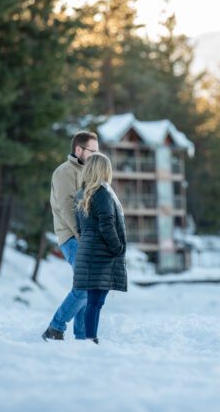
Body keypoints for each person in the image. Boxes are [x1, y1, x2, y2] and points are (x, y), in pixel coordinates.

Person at [42, 131, 99, 342]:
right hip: (72, 237)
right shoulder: (64, 172)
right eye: (93, 151)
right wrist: (84, 236)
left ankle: (83, 336)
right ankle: (55, 328)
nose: (96, 156)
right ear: (79, 150)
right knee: (85, 285)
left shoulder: (87, 173)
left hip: (86, 237)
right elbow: (67, 208)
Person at [73, 153, 128, 344]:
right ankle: (90, 339)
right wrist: (118, 247)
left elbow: (79, 227)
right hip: (101, 254)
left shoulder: (81, 194)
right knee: (96, 302)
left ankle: (89, 338)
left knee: (93, 301)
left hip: (87, 251)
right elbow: (107, 224)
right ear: (103, 170)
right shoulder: (103, 193)